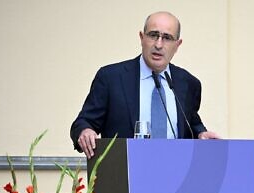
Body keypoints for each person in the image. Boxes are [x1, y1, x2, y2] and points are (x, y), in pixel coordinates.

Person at [70, 11, 220, 159]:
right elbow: (83, 122)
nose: (158, 44)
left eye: (167, 38)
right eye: (153, 35)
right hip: (124, 175)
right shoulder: (111, 78)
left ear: (177, 44)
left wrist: (201, 134)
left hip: (176, 175)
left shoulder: (188, 83)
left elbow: (191, 123)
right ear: (142, 37)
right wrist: (85, 131)